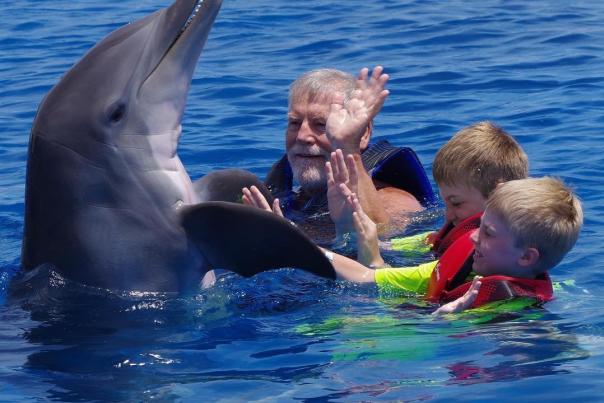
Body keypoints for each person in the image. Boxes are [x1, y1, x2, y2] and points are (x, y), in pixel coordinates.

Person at [327, 177, 583, 314]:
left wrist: (444, 322)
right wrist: (301, 247)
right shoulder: (462, 264)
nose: (472, 237)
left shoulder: (515, 312)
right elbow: (366, 277)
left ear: (527, 258)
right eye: (479, 226)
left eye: (488, 234)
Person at [264, 66, 435, 243]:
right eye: (294, 122)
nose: (302, 136)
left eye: (321, 124)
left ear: (363, 134)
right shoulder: (286, 199)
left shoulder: (393, 198)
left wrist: (348, 148)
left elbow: (382, 235)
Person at [382, 121, 529, 258]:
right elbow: (432, 239)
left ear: (496, 196)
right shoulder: (460, 231)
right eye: (447, 205)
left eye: (456, 203)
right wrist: (382, 245)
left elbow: (424, 276)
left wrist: (375, 265)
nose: (449, 216)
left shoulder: (497, 256)